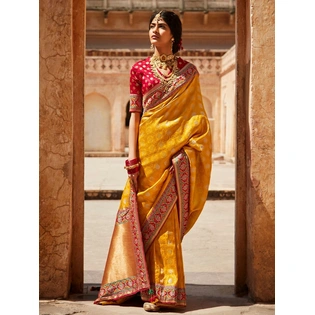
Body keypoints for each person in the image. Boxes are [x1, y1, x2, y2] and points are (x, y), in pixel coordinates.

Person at [94, 10, 212, 312]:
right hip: (146, 156)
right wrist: (132, 156)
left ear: (174, 34)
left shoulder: (189, 73)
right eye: (151, 26)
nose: (154, 30)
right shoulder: (139, 69)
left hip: (175, 158)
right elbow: (136, 115)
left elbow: (197, 119)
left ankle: (165, 292)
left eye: (161, 26)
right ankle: (137, 284)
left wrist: (186, 153)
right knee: (137, 217)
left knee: (166, 224)